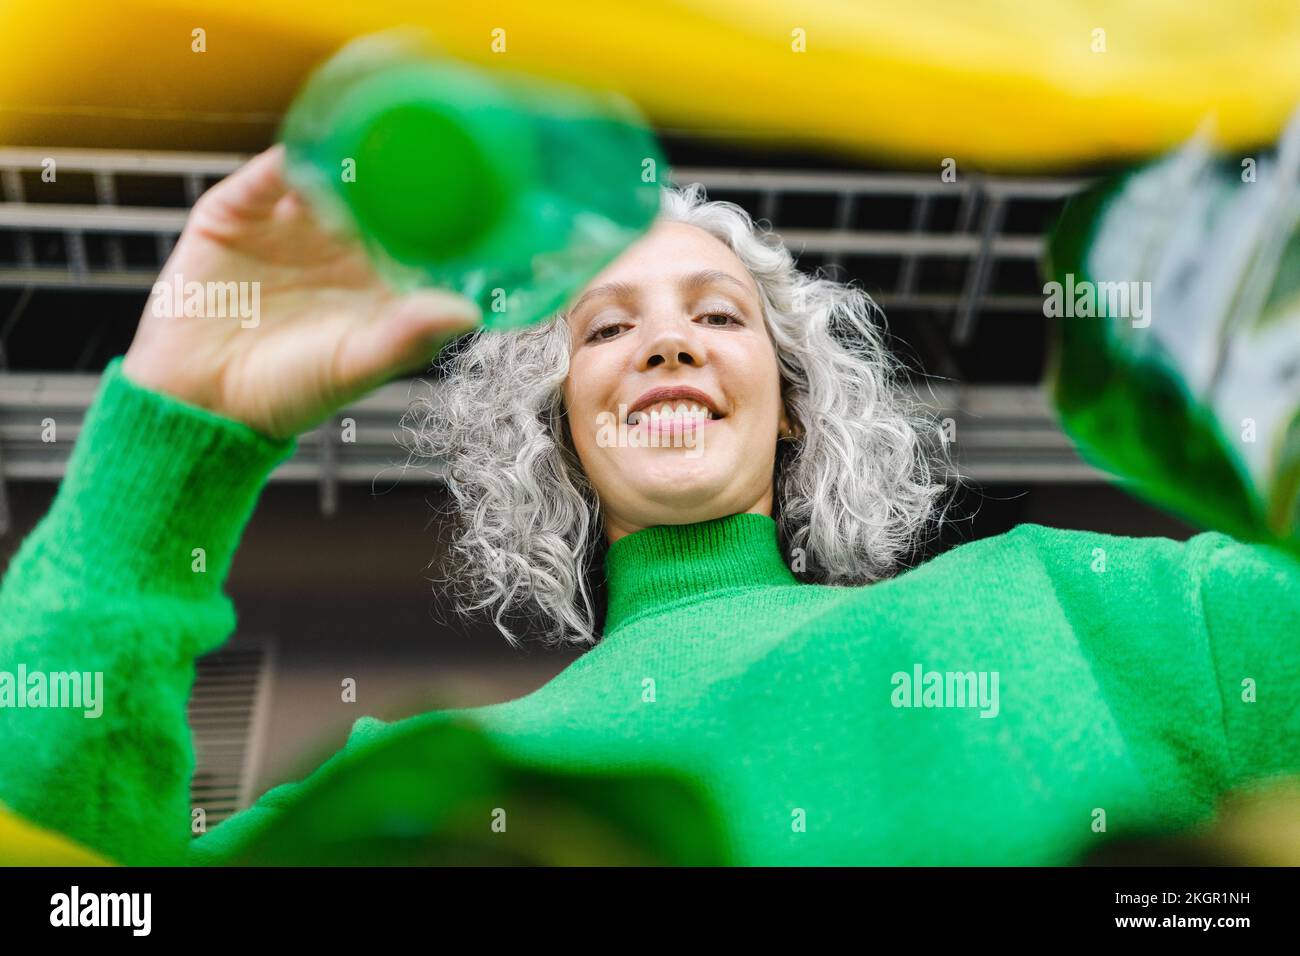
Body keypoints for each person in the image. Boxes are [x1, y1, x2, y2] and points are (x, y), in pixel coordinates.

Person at [0, 145, 1296, 866]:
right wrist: (181, 423)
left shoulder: (1069, 604)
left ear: (791, 403)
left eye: (717, 317)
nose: (667, 348)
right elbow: (67, 872)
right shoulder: (413, 795)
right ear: (556, 419)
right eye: (606, 327)